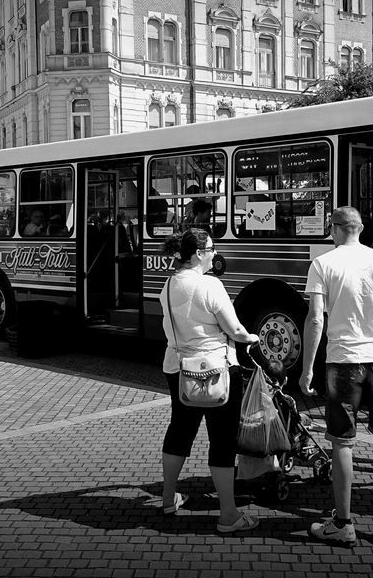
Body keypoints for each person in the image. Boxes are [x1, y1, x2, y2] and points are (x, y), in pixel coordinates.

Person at [299, 206, 373, 546]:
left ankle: (343, 522)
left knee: (341, 442)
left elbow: (315, 320)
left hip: (344, 362)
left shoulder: (323, 263)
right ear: (361, 228)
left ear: (334, 229)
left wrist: (308, 368)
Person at [157, 228, 261, 534]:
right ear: (198, 254)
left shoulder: (168, 284)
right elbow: (236, 330)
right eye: (211, 249)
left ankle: (167, 497)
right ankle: (228, 515)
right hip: (216, 371)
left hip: (177, 366)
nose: (215, 254)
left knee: (180, 429)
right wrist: (252, 337)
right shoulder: (210, 285)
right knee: (222, 438)